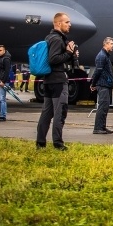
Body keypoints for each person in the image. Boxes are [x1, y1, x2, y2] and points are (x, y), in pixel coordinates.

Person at [36, 13, 76, 150]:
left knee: (46, 113)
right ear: (58, 23)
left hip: (48, 80)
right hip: (58, 80)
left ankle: (40, 142)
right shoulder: (57, 40)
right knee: (60, 112)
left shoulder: (49, 38)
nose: (69, 24)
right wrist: (69, 54)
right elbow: (53, 59)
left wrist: (69, 55)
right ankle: (58, 143)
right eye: (67, 22)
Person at [90, 37, 113, 134]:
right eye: (111, 44)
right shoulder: (102, 56)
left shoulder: (105, 55)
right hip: (103, 84)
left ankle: (102, 126)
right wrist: (93, 84)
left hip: (106, 84)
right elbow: (98, 71)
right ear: (105, 44)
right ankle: (98, 128)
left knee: (105, 106)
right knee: (102, 106)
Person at [0, 45, 12, 121]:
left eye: (0, 50)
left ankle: (3, 115)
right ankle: (1, 114)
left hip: (2, 82)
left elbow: (7, 71)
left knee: (2, 98)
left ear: (4, 50)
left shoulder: (6, 59)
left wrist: (3, 81)